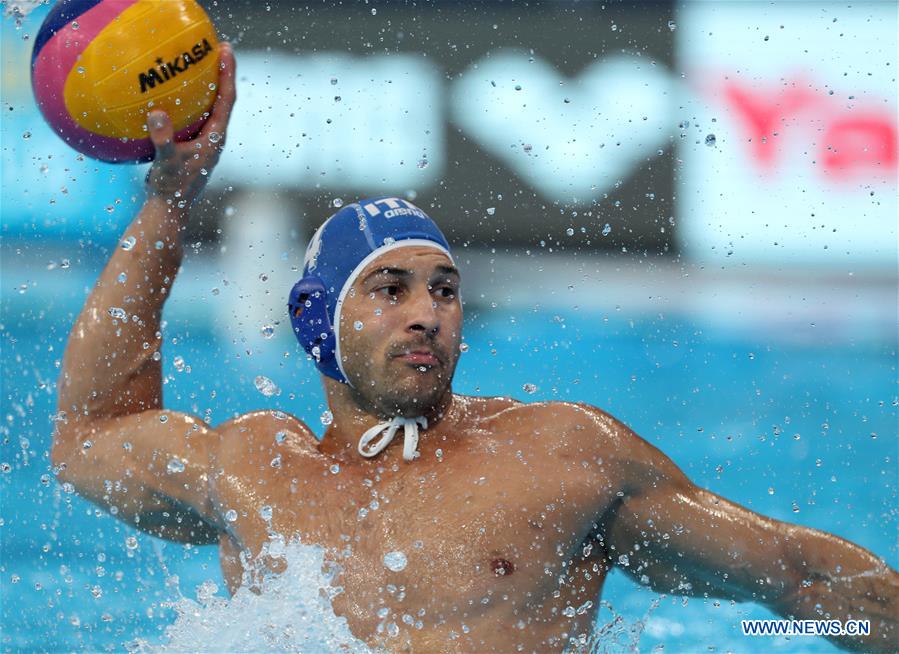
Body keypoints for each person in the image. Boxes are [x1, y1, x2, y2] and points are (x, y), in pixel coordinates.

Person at [52, 42, 897, 653]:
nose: (428, 314)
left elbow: (798, 584)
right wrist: (169, 203)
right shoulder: (251, 469)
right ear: (316, 321)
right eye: (390, 291)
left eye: (444, 291)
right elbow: (89, 434)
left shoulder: (561, 458)